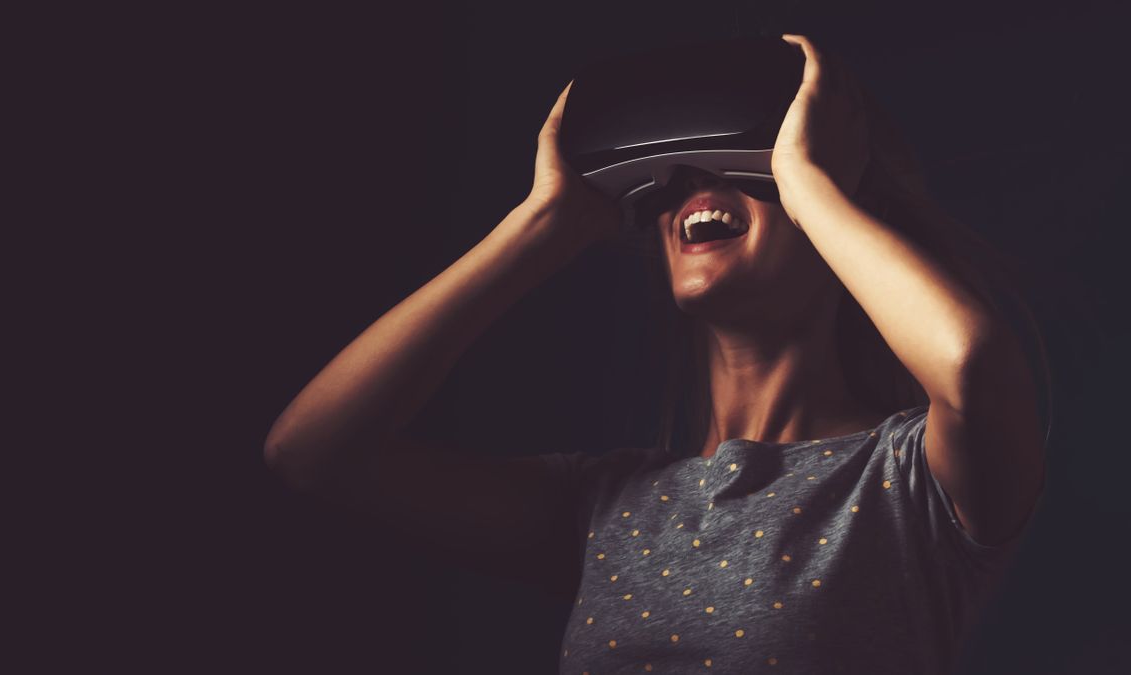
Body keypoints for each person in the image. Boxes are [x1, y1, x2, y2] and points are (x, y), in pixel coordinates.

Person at [263, 34, 1047, 675]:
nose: (692, 183)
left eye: (741, 161)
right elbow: (313, 452)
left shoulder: (913, 481)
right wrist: (539, 227)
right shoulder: (605, 505)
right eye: (667, 179)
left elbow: (971, 363)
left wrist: (807, 186)